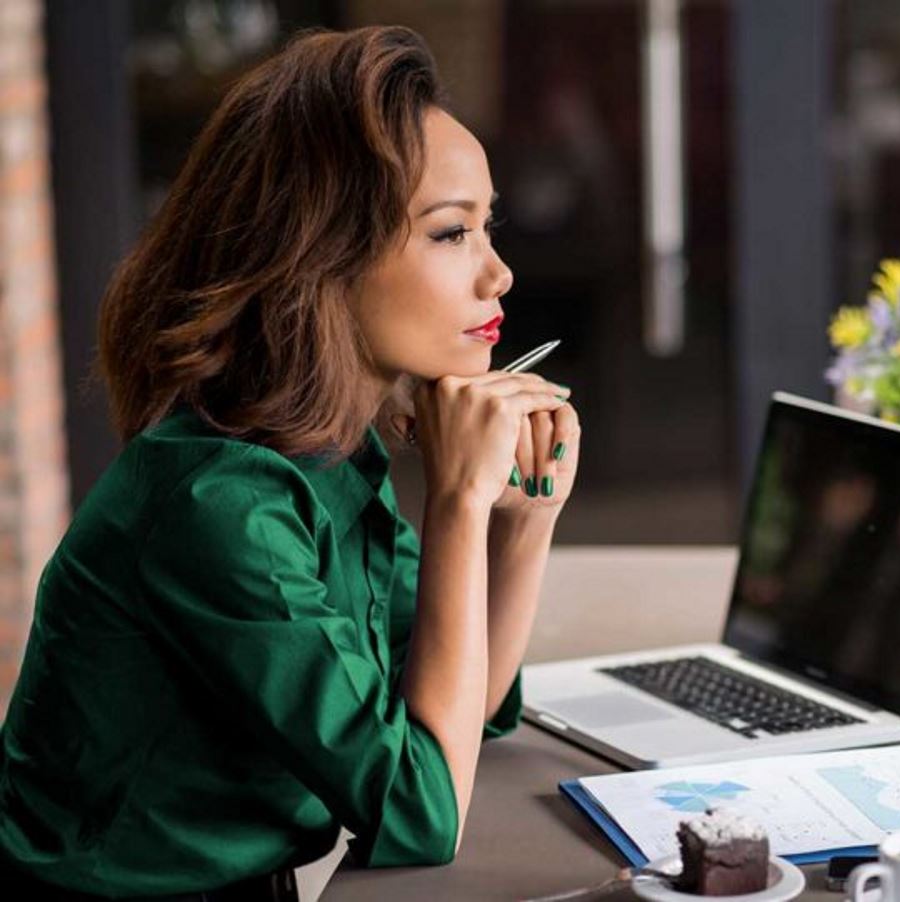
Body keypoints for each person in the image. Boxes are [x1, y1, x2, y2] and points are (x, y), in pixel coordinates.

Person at [0, 25, 579, 900]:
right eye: (452, 233)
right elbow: (425, 810)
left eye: (485, 227)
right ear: (323, 255)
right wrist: (458, 501)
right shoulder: (221, 505)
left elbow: (468, 715)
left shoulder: (326, 458)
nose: (497, 273)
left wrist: (524, 520)